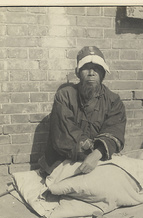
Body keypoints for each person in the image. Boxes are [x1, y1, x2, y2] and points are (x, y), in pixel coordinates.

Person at [38, 46, 126, 175]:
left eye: (97, 68)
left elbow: (114, 131)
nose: (92, 73)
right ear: (77, 72)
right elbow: (64, 135)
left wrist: (97, 154)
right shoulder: (64, 96)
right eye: (86, 68)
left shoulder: (113, 100)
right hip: (64, 159)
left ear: (103, 73)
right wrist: (88, 151)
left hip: (98, 157)